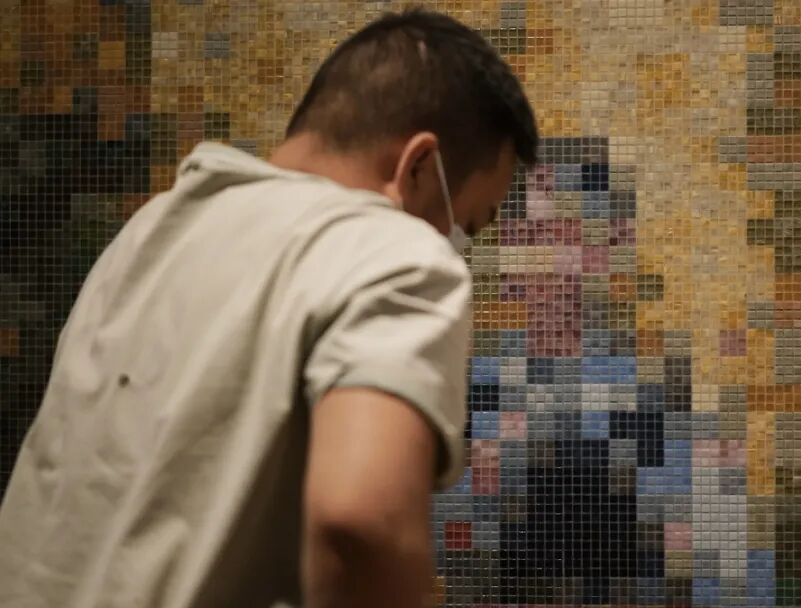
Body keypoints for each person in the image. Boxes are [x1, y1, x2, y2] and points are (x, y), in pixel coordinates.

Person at [0, 9, 537, 608]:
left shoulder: (150, 234)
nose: (455, 245)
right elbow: (363, 522)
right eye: (467, 225)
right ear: (417, 166)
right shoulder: (397, 255)